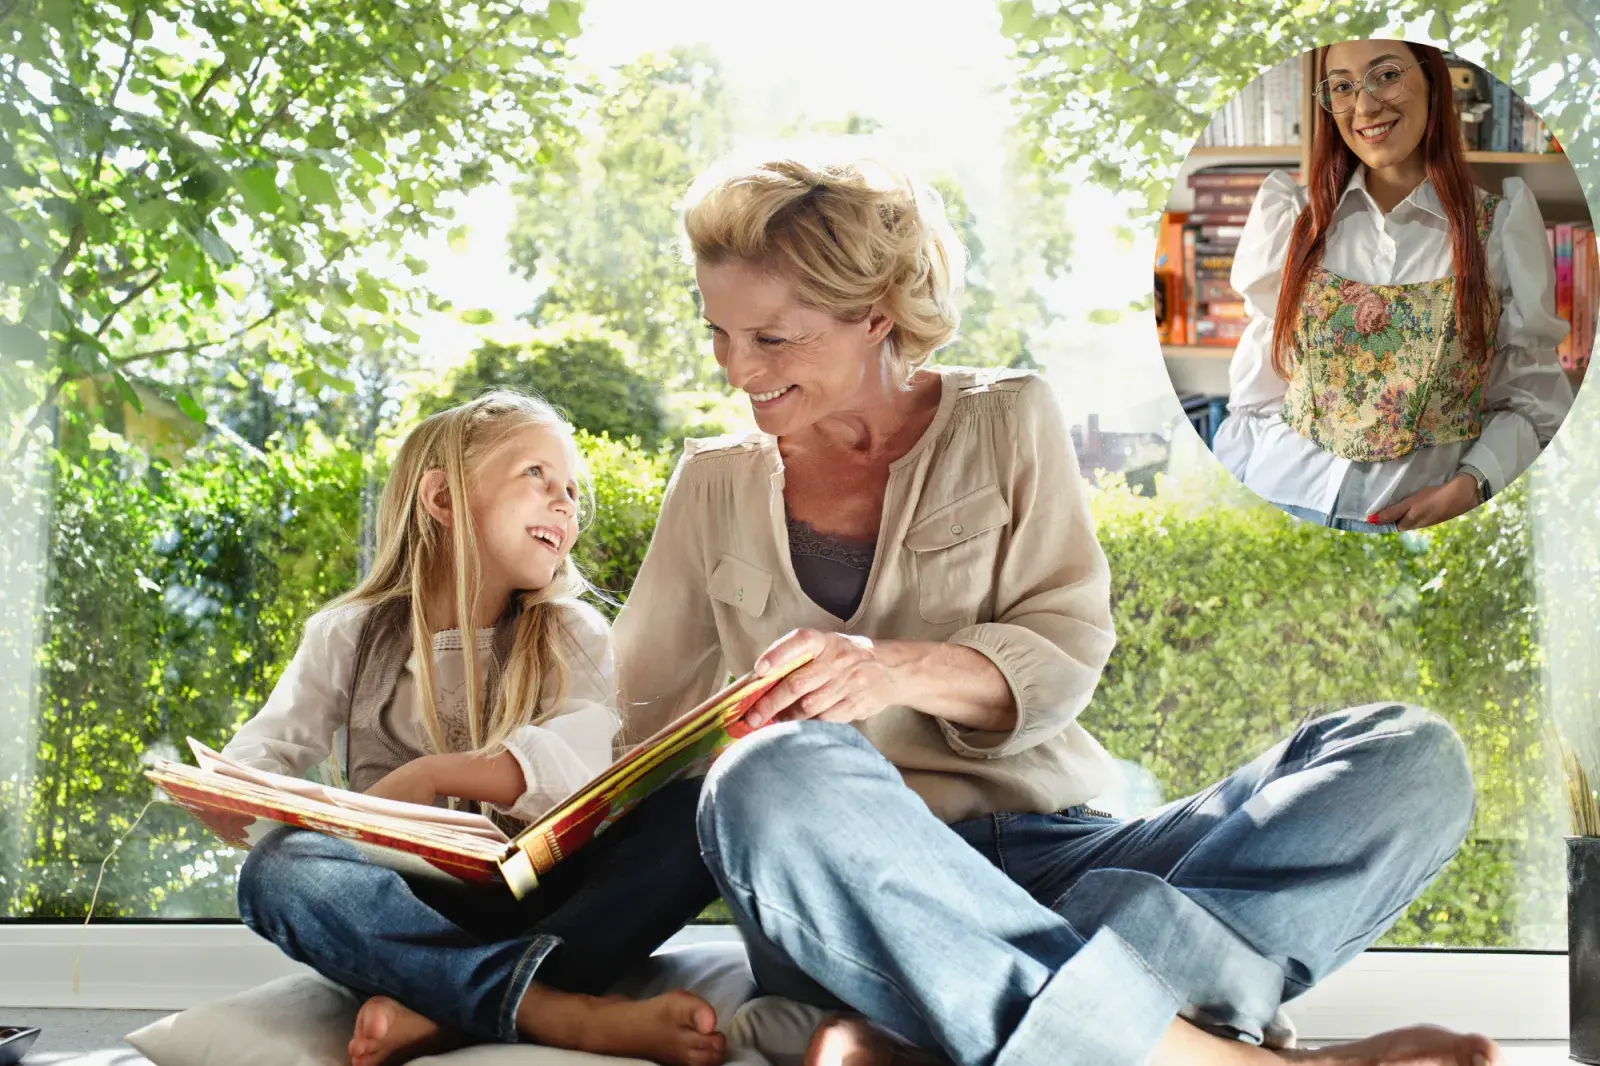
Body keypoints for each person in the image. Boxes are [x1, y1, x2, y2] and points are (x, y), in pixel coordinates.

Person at [613, 153, 1501, 1066]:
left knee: (1405, 758)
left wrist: (893, 668)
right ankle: (1208, 1051)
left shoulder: (1004, 419)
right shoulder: (712, 480)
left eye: (771, 338)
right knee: (766, 778)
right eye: (717, 332)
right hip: (863, 892)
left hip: (1057, 858)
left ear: (874, 313)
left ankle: (960, 1027)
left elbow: (1066, 648)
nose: (734, 368)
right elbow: (627, 721)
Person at [226, 392, 724, 1066]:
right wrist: (235, 794)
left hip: (548, 899)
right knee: (277, 871)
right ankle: (551, 1009)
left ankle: (447, 1006)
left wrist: (434, 774)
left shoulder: (570, 632)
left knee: (705, 809)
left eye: (573, 492)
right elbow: (263, 753)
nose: (566, 504)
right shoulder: (346, 636)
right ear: (443, 500)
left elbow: (578, 759)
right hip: (405, 906)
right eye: (538, 477)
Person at [1211, 39, 1573, 533]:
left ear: (1433, 83)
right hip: (1279, 497)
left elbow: (1529, 405)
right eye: (1342, 86)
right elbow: (1255, 400)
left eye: (1385, 75)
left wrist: (1468, 488)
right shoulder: (1294, 220)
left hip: (1418, 531)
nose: (1364, 106)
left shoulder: (1497, 228)